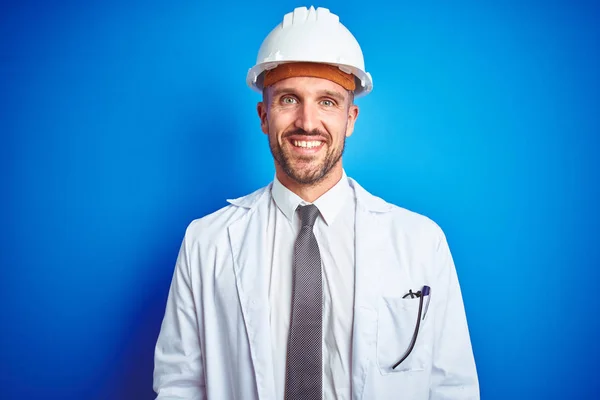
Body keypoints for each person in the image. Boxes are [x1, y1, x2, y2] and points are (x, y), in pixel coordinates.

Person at [153, 6, 479, 400]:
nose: (307, 122)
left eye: (327, 101)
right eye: (289, 99)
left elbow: (452, 388)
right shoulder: (206, 243)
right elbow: (179, 387)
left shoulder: (421, 243)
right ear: (263, 114)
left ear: (351, 118)